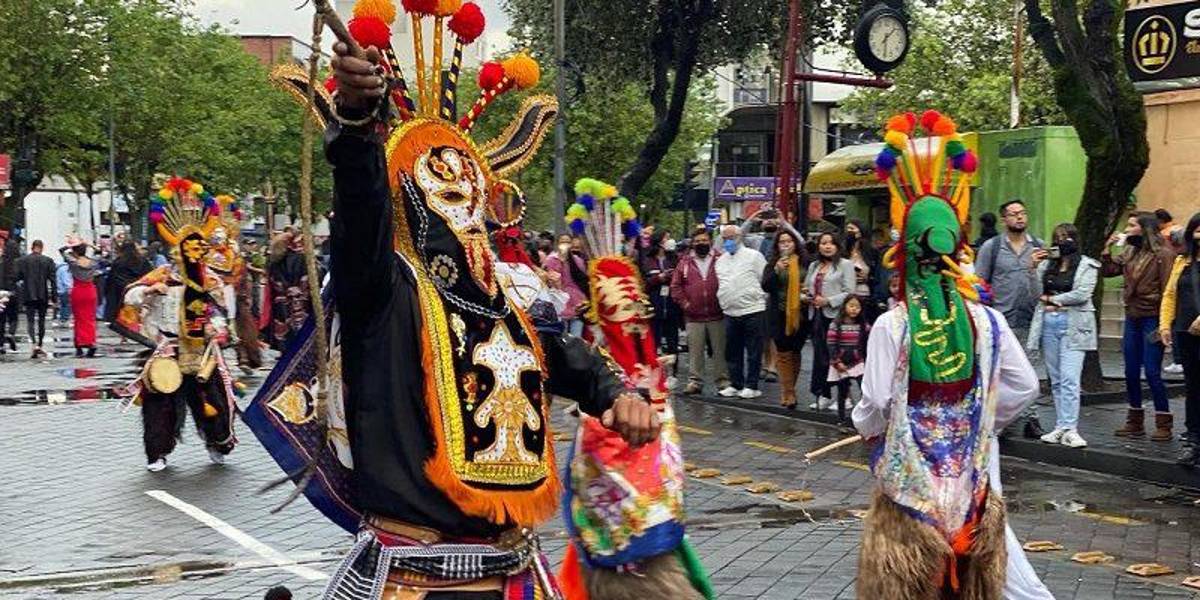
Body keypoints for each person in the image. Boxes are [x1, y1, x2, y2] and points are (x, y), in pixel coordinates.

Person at [259, 33, 660, 600]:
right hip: (417, 578)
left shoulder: (510, 305)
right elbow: (360, 203)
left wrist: (619, 395)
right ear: (412, 203)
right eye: (446, 193)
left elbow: (571, 359)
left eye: (474, 191)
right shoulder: (384, 293)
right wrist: (356, 123)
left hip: (517, 572)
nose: (467, 210)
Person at [854, 110, 1039, 599]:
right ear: (958, 244)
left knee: (910, 587)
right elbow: (1026, 387)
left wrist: (870, 432)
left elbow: (874, 401)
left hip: (909, 494)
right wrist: (981, 423)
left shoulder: (893, 324)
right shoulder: (988, 321)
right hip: (973, 484)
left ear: (904, 249)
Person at [558, 180, 713, 600]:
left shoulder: (638, 355)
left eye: (635, 306)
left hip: (644, 480)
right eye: (620, 309)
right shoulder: (602, 363)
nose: (631, 316)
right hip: (620, 479)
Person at [118, 178, 237, 472]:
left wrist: (216, 329)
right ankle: (158, 452)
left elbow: (222, 311)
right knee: (160, 404)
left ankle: (217, 443)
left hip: (200, 349)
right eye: (188, 250)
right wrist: (148, 291)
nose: (193, 255)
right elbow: (130, 297)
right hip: (167, 347)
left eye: (198, 250)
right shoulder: (160, 275)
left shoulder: (208, 279)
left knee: (211, 400)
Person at [976, 199, 1047, 439]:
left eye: (1022, 213)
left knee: (1030, 369)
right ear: (1004, 219)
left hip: (1031, 318)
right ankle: (999, 418)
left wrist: (1035, 269)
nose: (1019, 217)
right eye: (1013, 214)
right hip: (1001, 320)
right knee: (997, 370)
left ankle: (1032, 419)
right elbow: (979, 284)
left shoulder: (1038, 246)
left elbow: (1046, 284)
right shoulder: (992, 247)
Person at [1103, 212, 1177, 440]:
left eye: (1132, 225)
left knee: (1153, 371)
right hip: (1132, 316)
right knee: (1131, 370)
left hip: (1152, 318)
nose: (1127, 228)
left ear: (1144, 229)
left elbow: (1168, 291)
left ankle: (1163, 421)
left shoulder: (1163, 254)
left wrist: (1166, 325)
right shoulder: (1131, 251)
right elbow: (1109, 271)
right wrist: (1107, 249)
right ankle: (1135, 421)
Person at [1027, 223, 1099, 448]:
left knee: (1069, 378)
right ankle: (1060, 426)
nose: (1062, 241)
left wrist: (1053, 300)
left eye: (1067, 237)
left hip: (1074, 324)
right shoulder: (1048, 265)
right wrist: (1033, 268)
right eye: (1058, 237)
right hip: (1049, 324)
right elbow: (1035, 293)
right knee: (1056, 379)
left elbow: (1082, 294)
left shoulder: (1087, 265)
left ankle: (1071, 428)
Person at [670, 227, 730, 395]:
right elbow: (675, 286)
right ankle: (695, 382)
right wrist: (686, 305)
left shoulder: (721, 259)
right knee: (695, 352)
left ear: (710, 241)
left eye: (704, 240)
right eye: (697, 241)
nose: (701, 244)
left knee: (720, 351)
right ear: (692, 244)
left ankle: (723, 381)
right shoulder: (684, 262)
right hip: (693, 316)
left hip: (717, 314)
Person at [1161, 212, 1200, 466]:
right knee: (1193, 388)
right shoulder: (1181, 262)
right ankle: (1193, 440)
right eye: (1197, 230)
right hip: (1185, 333)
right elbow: (1170, 295)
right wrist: (1165, 324)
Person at [805, 231, 856, 410]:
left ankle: (845, 397)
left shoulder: (845, 265)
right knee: (820, 357)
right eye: (823, 243)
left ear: (837, 246)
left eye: (831, 243)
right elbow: (806, 287)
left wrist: (829, 300)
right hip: (817, 316)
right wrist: (806, 296)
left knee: (839, 356)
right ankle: (823, 393)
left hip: (836, 317)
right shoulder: (814, 266)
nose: (827, 246)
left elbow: (850, 292)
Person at [715, 224, 768, 399]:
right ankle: (736, 383)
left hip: (753, 309)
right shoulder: (721, 261)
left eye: (731, 237)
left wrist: (758, 297)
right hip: (730, 311)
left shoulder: (754, 256)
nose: (728, 241)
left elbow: (764, 280)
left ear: (740, 237)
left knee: (753, 350)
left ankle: (751, 385)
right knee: (732, 350)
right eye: (725, 238)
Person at [762, 227, 808, 409]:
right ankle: (787, 392)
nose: (786, 244)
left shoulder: (804, 262)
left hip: (800, 314)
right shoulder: (772, 263)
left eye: (789, 241)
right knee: (783, 352)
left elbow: (811, 281)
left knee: (795, 351)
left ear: (795, 243)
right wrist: (776, 270)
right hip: (779, 314)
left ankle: (791, 388)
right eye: (782, 242)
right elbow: (766, 286)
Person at [265, 232, 313, 352]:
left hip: (281, 300)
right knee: (298, 327)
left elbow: (272, 281)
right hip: (299, 300)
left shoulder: (273, 262)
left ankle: (284, 351)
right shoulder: (301, 258)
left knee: (284, 328)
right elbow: (307, 279)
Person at [826, 295, 868, 423]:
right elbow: (831, 343)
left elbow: (871, 336)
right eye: (851, 306)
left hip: (858, 362)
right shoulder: (836, 324)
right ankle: (842, 419)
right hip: (841, 362)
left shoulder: (863, 325)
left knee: (864, 389)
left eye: (857, 307)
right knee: (842, 391)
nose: (854, 309)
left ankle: (863, 418)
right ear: (844, 306)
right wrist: (836, 361)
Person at [639, 230, 680, 355]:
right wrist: (657, 278)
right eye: (666, 238)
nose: (669, 240)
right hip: (654, 304)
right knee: (654, 339)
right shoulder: (646, 260)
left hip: (671, 304)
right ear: (659, 241)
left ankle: (672, 370)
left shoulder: (674, 258)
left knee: (672, 340)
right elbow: (642, 283)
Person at [14, 240, 57, 358]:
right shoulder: (48, 261)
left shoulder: (22, 261)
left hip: (28, 294)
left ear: (32, 248)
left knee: (30, 320)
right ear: (42, 248)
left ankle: (33, 344)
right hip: (42, 294)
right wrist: (54, 298)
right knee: (42, 321)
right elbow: (53, 281)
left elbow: (16, 277)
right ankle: (40, 344)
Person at [543, 234, 591, 337]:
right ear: (557, 244)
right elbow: (548, 282)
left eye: (568, 242)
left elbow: (583, 281)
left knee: (576, 339)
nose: (565, 245)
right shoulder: (551, 260)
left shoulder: (578, 261)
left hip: (577, 305)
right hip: (559, 304)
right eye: (562, 242)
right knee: (562, 338)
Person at [60, 237, 101, 358]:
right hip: (90, 291)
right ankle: (91, 342)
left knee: (78, 318)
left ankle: (79, 344)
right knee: (90, 318)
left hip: (78, 291)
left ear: (75, 251)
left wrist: (71, 245)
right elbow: (100, 252)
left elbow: (62, 251)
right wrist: (89, 244)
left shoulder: (73, 262)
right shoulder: (93, 262)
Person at [843, 219, 883, 323]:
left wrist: (867, 278)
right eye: (847, 229)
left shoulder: (872, 252)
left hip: (865, 295)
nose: (849, 231)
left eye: (852, 228)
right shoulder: (843, 252)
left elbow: (877, 275)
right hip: (845, 295)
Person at [103, 241, 151, 323]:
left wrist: (106, 290)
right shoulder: (143, 261)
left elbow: (111, 277)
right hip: (137, 289)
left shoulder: (118, 261)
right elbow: (148, 275)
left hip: (119, 290)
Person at [0, 238, 20, 353]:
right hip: (12, 291)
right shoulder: (16, 262)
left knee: (1, 319)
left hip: (1, 292)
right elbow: (18, 277)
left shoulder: (2, 261)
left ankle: (1, 344)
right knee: (13, 316)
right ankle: (11, 332)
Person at [55, 260, 72, 325]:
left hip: (61, 289)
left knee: (63, 305)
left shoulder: (60, 267)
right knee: (66, 305)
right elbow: (66, 280)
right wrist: (70, 288)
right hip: (65, 290)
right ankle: (65, 320)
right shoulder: (65, 268)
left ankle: (63, 320)